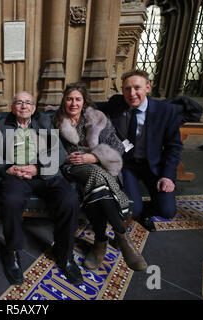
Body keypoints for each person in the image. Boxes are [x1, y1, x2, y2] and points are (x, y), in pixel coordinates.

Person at [0, 91, 83, 286]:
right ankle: (12, 252)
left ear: (33, 107)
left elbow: (60, 152)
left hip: (44, 173)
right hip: (16, 175)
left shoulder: (45, 122)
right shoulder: (2, 125)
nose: (24, 106)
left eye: (28, 103)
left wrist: (38, 167)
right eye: (19, 103)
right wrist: (10, 168)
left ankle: (64, 254)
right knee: (11, 200)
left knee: (69, 199)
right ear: (13, 107)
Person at [54, 82, 147, 271]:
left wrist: (95, 156)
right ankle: (122, 236)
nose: (73, 103)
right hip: (72, 167)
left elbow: (118, 146)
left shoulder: (97, 118)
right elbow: (48, 150)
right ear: (64, 101)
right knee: (97, 176)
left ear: (84, 101)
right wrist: (66, 157)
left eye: (78, 99)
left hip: (99, 165)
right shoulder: (55, 121)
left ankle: (100, 242)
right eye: (69, 99)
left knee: (99, 187)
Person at [99, 70, 183, 232]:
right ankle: (137, 210)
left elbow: (174, 146)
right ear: (122, 90)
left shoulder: (166, 111)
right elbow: (94, 105)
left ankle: (146, 212)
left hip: (153, 165)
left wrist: (167, 176)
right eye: (127, 89)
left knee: (167, 211)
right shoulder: (117, 103)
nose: (132, 93)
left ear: (148, 87)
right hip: (127, 164)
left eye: (137, 88)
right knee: (133, 209)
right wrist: (60, 107)